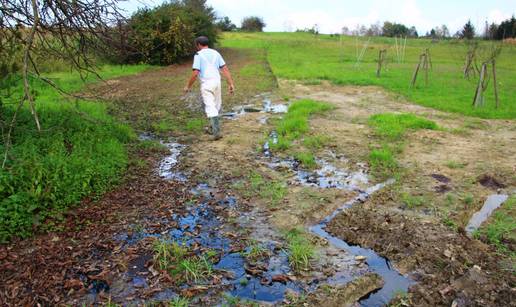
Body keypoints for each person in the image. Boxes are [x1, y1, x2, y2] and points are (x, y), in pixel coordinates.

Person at [183, 36, 235, 140]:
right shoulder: (216, 53)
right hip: (217, 82)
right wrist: (231, 84)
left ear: (198, 45)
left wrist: (188, 86)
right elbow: (225, 69)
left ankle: (216, 133)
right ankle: (212, 128)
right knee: (216, 106)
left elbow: (195, 73)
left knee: (210, 107)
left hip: (206, 84)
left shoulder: (198, 55)